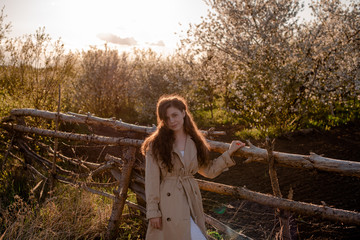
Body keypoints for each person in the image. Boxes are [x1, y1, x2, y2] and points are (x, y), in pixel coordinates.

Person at [141, 95, 245, 240]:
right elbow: (151, 181)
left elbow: (209, 170)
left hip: (191, 199)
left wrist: (229, 153)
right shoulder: (156, 144)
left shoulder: (195, 141)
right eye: (167, 118)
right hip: (169, 203)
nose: (172, 121)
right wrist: (153, 212)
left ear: (184, 112)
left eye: (175, 115)